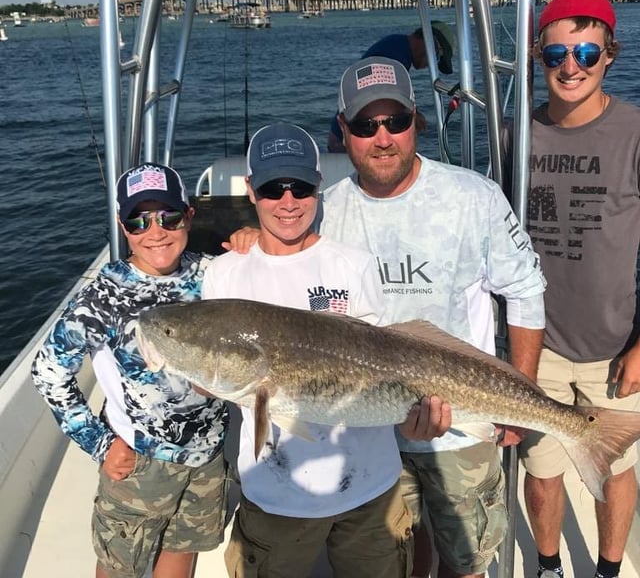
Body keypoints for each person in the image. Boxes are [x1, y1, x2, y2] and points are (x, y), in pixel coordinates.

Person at [227, 57, 546, 578]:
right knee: (405, 556)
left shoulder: (473, 197)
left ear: (416, 121)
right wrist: (248, 242)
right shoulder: (323, 208)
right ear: (343, 133)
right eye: (364, 125)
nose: (382, 137)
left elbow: (526, 290)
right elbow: (285, 250)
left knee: (466, 561)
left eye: (395, 121)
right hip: (368, 436)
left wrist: (521, 396)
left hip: (460, 419)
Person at [203, 122, 449, 578]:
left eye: (301, 186)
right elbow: (216, 372)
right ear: (251, 190)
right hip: (275, 496)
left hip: (371, 490)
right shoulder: (224, 274)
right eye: (274, 188)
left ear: (319, 187)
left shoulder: (352, 265)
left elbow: (389, 360)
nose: (288, 202)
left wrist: (420, 421)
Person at [31, 162, 229, 578]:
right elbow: (48, 371)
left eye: (168, 217)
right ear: (123, 227)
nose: (155, 231)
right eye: (139, 221)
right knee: (120, 567)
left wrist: (250, 242)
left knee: (182, 550)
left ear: (189, 215)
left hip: (208, 456)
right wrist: (101, 444)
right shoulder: (101, 298)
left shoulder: (216, 275)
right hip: (140, 464)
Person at [517, 0, 640, 578]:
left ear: (609, 54)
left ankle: (610, 570)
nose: (571, 68)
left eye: (586, 54)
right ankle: (547, 566)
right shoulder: (518, 135)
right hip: (536, 342)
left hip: (615, 345)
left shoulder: (635, 132)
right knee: (541, 472)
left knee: (614, 471)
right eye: (557, 55)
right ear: (539, 55)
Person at [327, 21, 455, 153]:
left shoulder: (396, 46)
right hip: (351, 139)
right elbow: (378, 95)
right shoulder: (395, 56)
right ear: (431, 44)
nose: (431, 64)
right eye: (437, 57)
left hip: (348, 135)